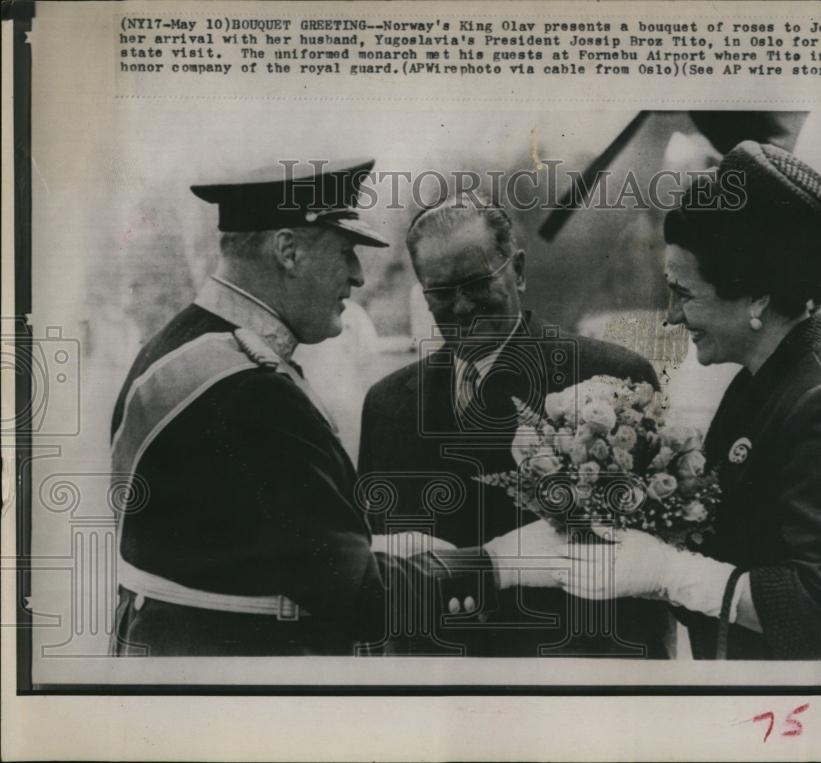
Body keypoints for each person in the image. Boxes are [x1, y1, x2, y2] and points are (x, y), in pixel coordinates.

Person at [110, 160, 561, 656]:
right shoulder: (249, 393)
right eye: (345, 251)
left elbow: (250, 547)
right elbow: (362, 598)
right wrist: (503, 562)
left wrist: (381, 550)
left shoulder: (177, 347)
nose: (358, 275)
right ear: (288, 250)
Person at [557, 141, 821, 660]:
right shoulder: (771, 377)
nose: (673, 317)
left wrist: (668, 572)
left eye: (686, 294)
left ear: (757, 298)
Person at [357, 197, 671, 657]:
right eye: (442, 293)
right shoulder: (386, 405)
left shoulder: (612, 378)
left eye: (478, 283)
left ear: (518, 270)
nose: (463, 307)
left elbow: (650, 570)